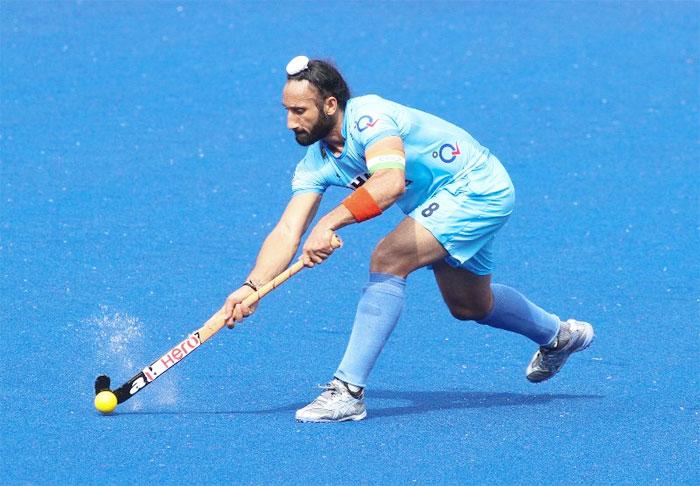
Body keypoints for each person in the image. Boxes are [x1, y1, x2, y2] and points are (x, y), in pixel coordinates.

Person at [222, 55, 595, 423]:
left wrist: (329, 224)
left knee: (388, 258)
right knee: (471, 306)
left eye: (299, 110)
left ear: (330, 105)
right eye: (286, 110)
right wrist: (253, 286)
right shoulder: (316, 162)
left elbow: (389, 182)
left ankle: (348, 392)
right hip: (438, 203)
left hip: (475, 187)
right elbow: (288, 230)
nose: (290, 122)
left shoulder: (370, 118)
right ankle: (559, 335)